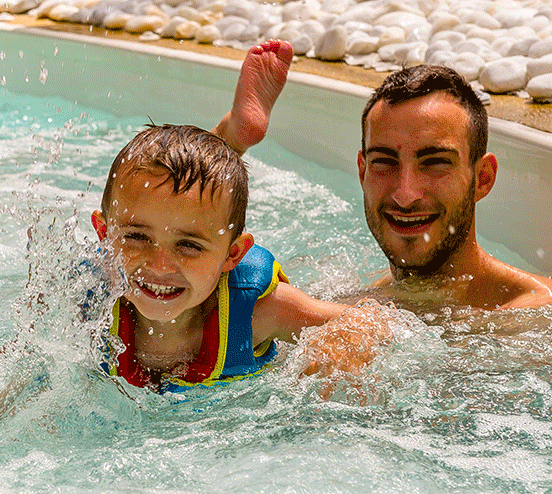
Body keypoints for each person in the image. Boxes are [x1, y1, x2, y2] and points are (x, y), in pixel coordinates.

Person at [215, 40, 552, 311]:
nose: (405, 194)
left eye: (435, 163)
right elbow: (180, 268)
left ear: (482, 178)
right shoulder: (350, 308)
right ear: (361, 171)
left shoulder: (541, 314)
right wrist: (230, 142)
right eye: (384, 162)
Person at [93, 122, 392, 392]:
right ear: (104, 234)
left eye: (189, 245)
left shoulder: (257, 312)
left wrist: (347, 343)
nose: (159, 265)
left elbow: (374, 322)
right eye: (136, 237)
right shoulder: (86, 302)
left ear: (232, 254)